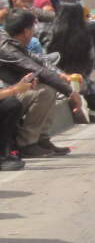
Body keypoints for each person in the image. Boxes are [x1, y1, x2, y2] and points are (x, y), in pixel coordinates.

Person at [0, 8, 82, 157]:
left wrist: (62, 75)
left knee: (50, 85)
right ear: (26, 32)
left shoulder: (8, 40)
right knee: (44, 91)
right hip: (6, 96)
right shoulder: (5, 47)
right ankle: (27, 143)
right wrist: (71, 92)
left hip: (11, 92)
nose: (34, 32)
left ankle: (41, 140)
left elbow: (38, 59)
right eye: (33, 28)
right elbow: (37, 69)